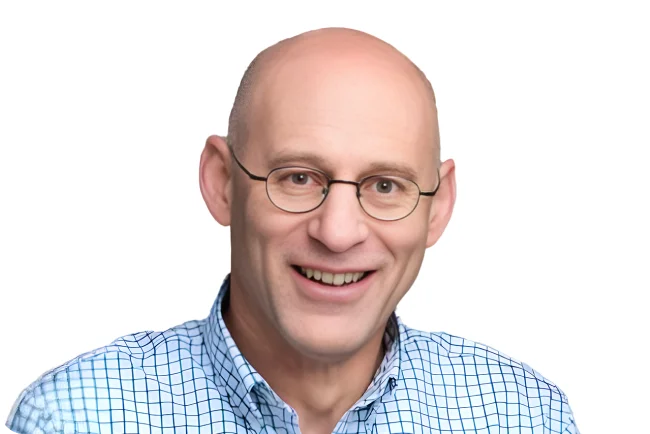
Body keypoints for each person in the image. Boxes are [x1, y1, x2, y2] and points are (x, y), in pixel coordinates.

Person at [6, 27, 580, 434]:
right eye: (299, 178)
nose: (338, 232)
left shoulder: (527, 419)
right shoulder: (72, 419)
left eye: (385, 185)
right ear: (222, 182)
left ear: (437, 206)